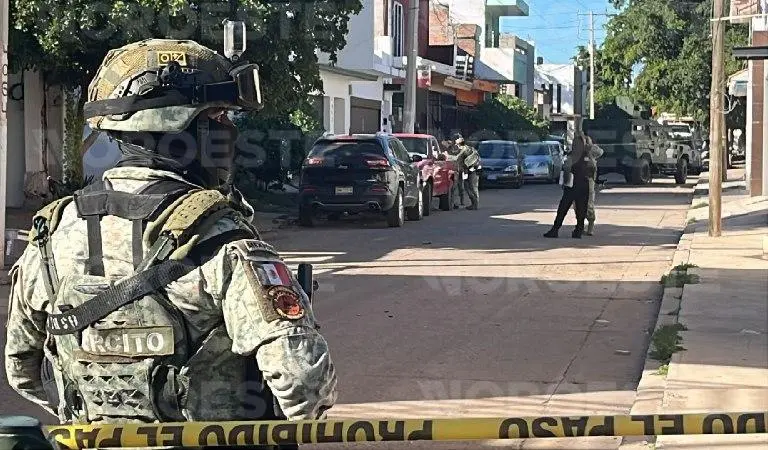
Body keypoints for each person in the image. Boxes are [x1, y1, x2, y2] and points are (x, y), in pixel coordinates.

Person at [4, 39, 337, 449]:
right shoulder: (223, 238)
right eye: (218, 116)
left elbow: (22, 370)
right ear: (178, 126)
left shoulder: (48, 233)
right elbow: (305, 386)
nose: (229, 131)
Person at [544, 132, 592, 238]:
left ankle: (555, 229)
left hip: (572, 185)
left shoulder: (571, 156)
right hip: (584, 184)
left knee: (563, 208)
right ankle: (578, 231)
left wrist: (564, 183)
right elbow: (592, 168)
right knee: (581, 209)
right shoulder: (587, 155)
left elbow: (566, 169)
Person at [454, 133, 481, 210]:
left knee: (471, 187)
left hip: (472, 171)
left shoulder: (468, 150)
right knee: (467, 187)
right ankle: (473, 203)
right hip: (466, 171)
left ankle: (475, 204)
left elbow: (474, 160)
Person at [585, 136, 604, 236]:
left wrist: (590, 145)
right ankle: (581, 225)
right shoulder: (576, 150)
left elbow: (600, 152)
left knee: (589, 204)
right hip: (577, 180)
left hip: (589, 180)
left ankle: (590, 226)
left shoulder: (591, 150)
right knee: (577, 205)